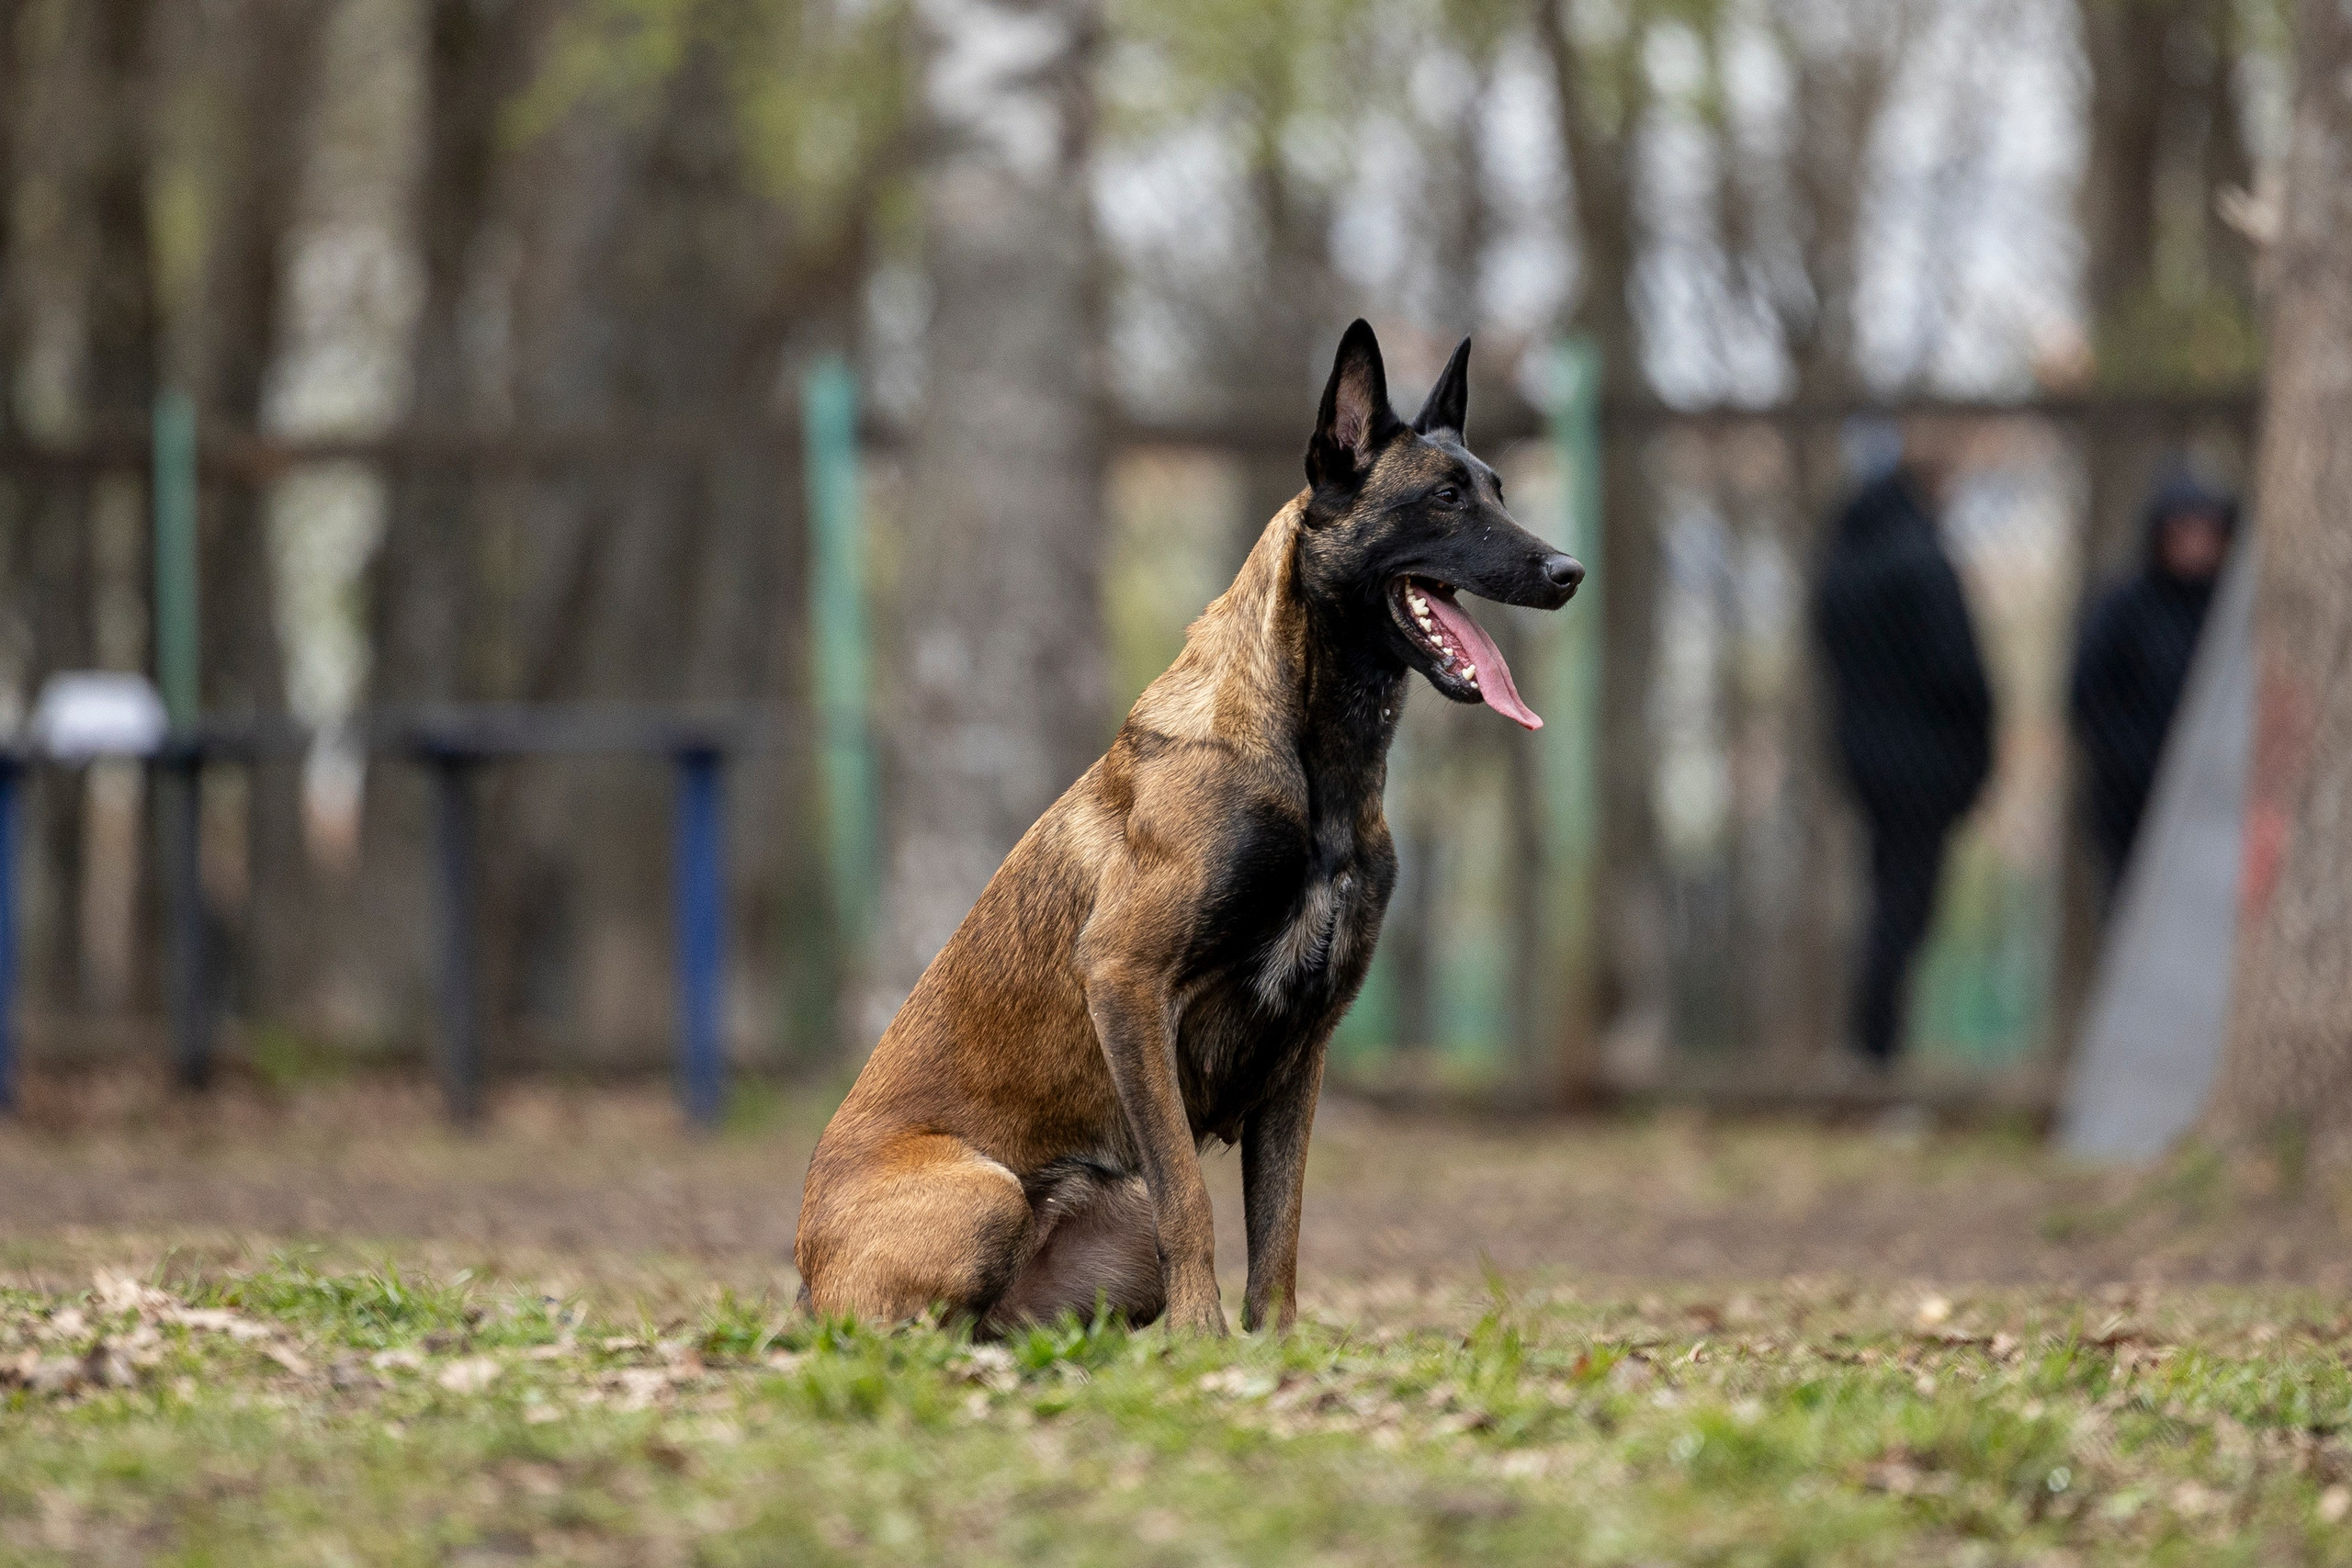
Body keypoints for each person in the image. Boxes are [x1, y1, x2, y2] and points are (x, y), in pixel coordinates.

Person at [1813, 429, 1995, 1069]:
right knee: (1904, 912)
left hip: (1864, 760)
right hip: (1927, 764)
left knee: (1886, 903)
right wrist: (1977, 757)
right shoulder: (1921, 560)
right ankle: (1875, 1049)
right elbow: (1960, 670)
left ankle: (1869, 1045)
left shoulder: (1840, 561)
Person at [2068, 471, 2236, 889]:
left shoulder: (2230, 611)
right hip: (2132, 796)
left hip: (2217, 796)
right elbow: (2087, 696)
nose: (2196, 544)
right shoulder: (2124, 607)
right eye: (2185, 530)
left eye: (2207, 531)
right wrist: (2137, 759)